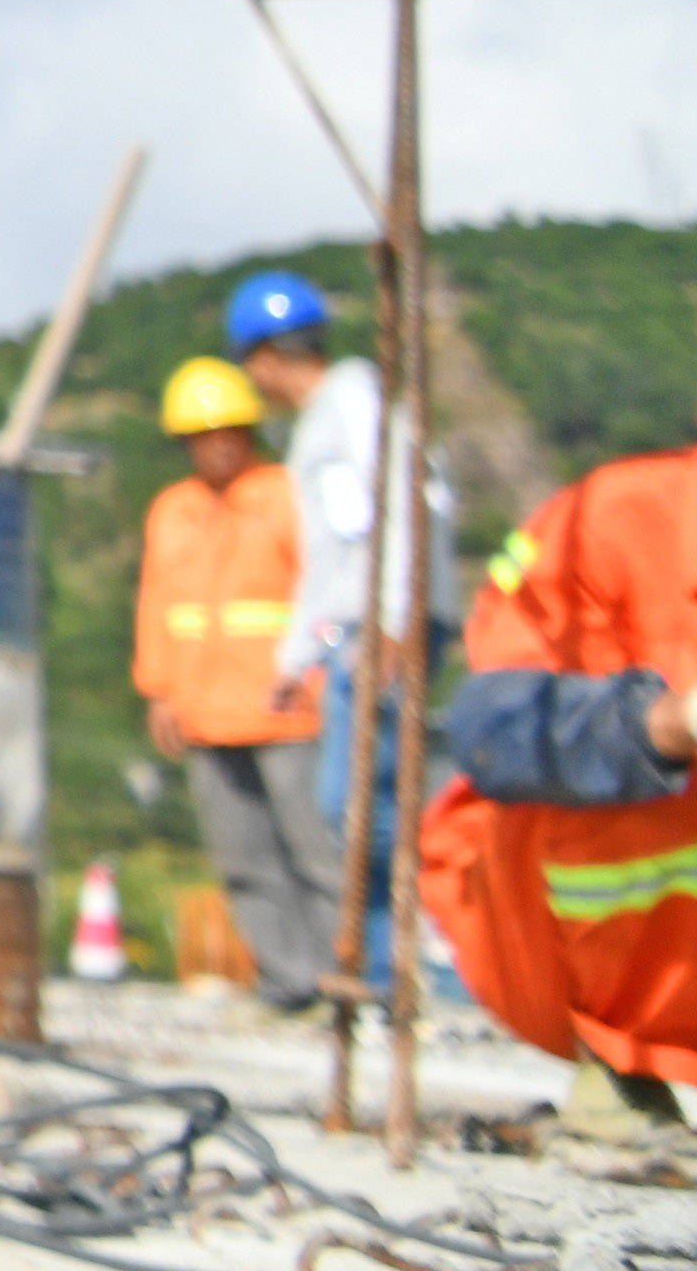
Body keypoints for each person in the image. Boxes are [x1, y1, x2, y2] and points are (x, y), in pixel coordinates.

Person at [422, 440, 697, 1148]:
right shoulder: (616, 519)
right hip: (580, 951)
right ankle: (620, 1062)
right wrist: (663, 727)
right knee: (595, 768)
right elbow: (493, 727)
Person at [237, 267, 456, 1002]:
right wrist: (296, 656)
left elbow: (396, 500)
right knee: (359, 801)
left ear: (264, 358)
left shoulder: (355, 399)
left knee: (359, 800)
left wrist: (394, 617)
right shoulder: (322, 421)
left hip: (385, 622)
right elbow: (331, 557)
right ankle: (380, 963)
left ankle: (402, 963)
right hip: (356, 625)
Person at [134, 355, 340, 1006]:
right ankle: (289, 987)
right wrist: (159, 690)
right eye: (202, 434)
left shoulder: (287, 495)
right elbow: (158, 604)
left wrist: (329, 684)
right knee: (244, 861)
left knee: (319, 855)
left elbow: (326, 593)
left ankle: (347, 987)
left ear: (249, 432)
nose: (217, 445)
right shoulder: (172, 510)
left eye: (228, 430)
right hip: (205, 716)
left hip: (287, 713)